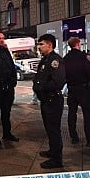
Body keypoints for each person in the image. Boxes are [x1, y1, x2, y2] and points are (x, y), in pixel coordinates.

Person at [33, 34, 66, 169]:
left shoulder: (55, 60)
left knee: (53, 130)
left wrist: (41, 88)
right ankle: (52, 151)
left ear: (50, 45)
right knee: (49, 128)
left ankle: (56, 159)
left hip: (53, 100)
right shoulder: (45, 60)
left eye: (41, 44)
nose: (39, 47)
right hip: (46, 99)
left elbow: (57, 82)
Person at [64, 37, 90, 147]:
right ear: (78, 44)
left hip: (72, 89)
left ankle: (74, 137)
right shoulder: (84, 57)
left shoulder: (66, 58)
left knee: (72, 113)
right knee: (87, 115)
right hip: (84, 89)